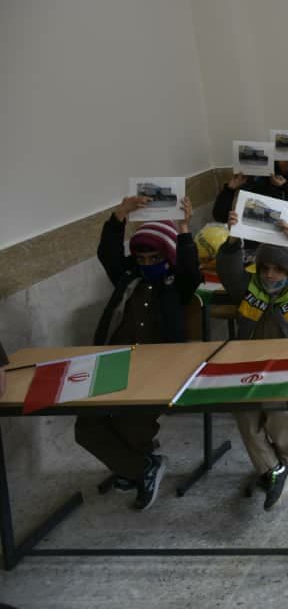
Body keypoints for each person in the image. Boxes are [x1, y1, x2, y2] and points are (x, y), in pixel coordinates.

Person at [75, 194, 201, 511]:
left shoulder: (175, 284)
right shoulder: (129, 278)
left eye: (154, 258)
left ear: (167, 256)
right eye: (141, 259)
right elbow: (108, 254)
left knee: (130, 423)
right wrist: (120, 215)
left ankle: (134, 465)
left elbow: (190, 270)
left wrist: (184, 229)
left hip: (159, 371)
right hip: (116, 364)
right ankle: (140, 466)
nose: (147, 264)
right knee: (86, 427)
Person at [218, 212, 288, 510]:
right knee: (241, 405)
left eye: (279, 270)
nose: (270, 275)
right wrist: (233, 241)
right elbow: (229, 273)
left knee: (280, 405)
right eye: (265, 268)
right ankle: (272, 468)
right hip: (253, 366)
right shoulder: (249, 289)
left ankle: (284, 461)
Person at [212, 141, 288, 223]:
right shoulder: (259, 179)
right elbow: (221, 217)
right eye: (283, 157)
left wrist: (286, 186)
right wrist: (229, 189)